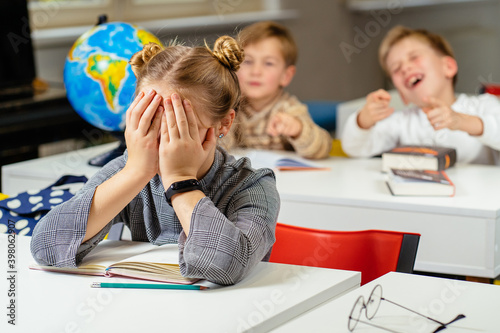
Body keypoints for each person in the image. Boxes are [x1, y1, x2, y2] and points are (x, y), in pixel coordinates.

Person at [30, 36, 280, 286]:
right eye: (149, 125)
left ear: (223, 123)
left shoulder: (253, 186)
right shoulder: (131, 169)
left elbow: (226, 267)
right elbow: (46, 248)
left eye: (180, 129)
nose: (163, 145)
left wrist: (181, 180)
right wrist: (134, 173)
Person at [341, 25, 500, 165]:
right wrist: (363, 120)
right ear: (403, 95)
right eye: (396, 69)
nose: (405, 68)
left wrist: (462, 121)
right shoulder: (402, 122)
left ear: (448, 67)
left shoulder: (483, 105)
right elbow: (353, 148)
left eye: (414, 57)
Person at [221, 21, 332, 160]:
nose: (256, 71)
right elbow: (219, 149)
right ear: (235, 67)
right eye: (248, 62)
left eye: (268, 63)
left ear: (286, 76)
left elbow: (322, 148)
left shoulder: (290, 109)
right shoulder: (230, 108)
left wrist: (298, 130)